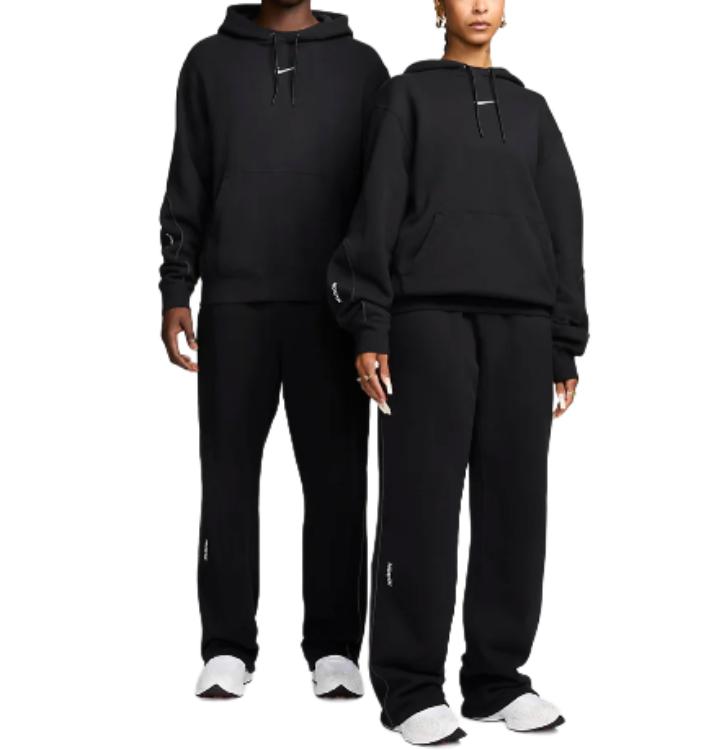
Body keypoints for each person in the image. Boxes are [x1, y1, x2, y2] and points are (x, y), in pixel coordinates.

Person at [327, 0, 589, 743]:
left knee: (515, 509)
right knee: (421, 507)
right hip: (427, 322)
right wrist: (371, 324)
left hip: (522, 328)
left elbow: (563, 224)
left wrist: (564, 339)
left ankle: (497, 680)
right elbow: (376, 211)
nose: (479, 4)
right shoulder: (405, 98)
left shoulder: (532, 111)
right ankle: (410, 687)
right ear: (437, 7)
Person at [158, 1, 388, 699]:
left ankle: (335, 648)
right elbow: (188, 177)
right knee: (228, 479)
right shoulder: (208, 62)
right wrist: (176, 286)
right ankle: (227, 645)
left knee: (338, 483)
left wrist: (375, 316)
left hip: (333, 309)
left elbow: (381, 200)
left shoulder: (363, 68)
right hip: (235, 302)